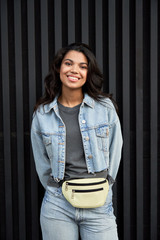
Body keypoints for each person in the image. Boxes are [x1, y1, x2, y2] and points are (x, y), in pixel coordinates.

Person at [31, 42, 123, 240]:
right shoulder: (42, 113)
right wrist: (55, 188)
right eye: (69, 63)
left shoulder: (104, 107)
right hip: (58, 205)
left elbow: (116, 150)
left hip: (98, 202)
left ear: (89, 72)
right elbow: (42, 163)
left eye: (83, 66)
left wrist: (106, 186)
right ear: (58, 68)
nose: (75, 70)